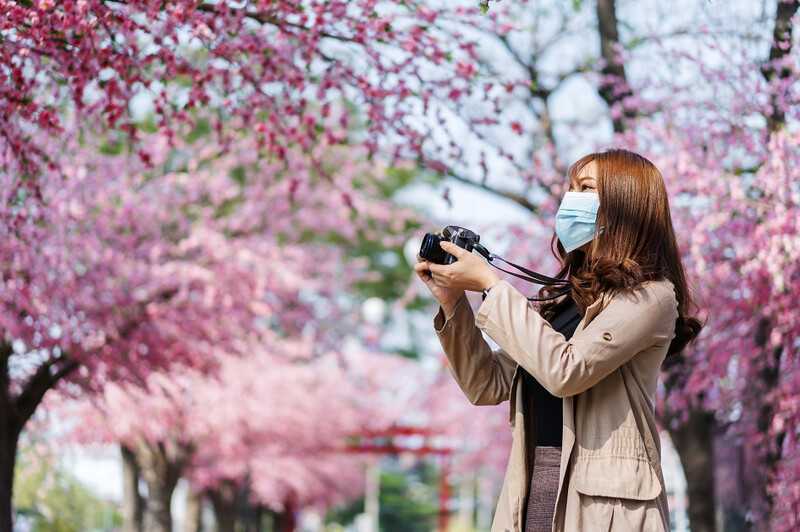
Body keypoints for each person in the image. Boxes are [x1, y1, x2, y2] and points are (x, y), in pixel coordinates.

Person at [414, 149, 702, 532]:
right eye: (570, 188)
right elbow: (486, 384)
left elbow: (567, 370)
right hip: (540, 481)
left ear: (625, 203)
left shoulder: (652, 296)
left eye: (585, 188)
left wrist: (489, 283)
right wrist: (453, 304)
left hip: (603, 505)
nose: (571, 198)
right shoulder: (566, 301)